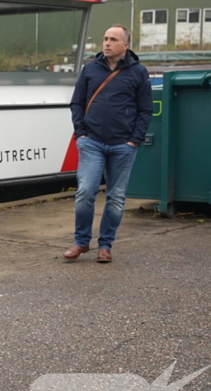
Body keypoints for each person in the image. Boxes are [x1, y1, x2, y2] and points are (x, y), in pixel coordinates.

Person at [64, 25, 152, 264]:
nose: (107, 43)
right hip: (91, 141)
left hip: (123, 144)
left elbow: (145, 109)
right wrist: (80, 133)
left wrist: (135, 139)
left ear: (125, 45)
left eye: (113, 39)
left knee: (116, 197)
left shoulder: (138, 72)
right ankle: (81, 241)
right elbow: (77, 103)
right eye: (105, 38)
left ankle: (105, 245)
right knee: (85, 192)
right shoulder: (90, 68)